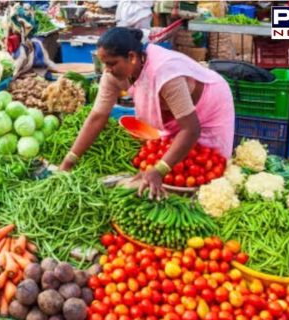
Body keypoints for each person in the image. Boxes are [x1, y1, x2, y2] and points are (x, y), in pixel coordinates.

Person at [59, 28, 234, 199]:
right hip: (175, 115)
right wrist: (69, 161)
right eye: (104, 63)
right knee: (177, 164)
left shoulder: (164, 71)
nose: (107, 69)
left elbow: (191, 129)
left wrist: (159, 170)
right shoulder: (112, 76)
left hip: (209, 104)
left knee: (209, 169)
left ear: (132, 57)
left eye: (111, 63)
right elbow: (97, 117)